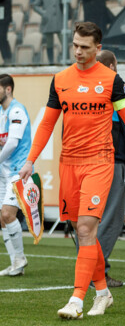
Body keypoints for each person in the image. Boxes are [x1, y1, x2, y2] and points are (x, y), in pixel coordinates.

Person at [18, 21, 125, 319]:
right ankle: (103, 293)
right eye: (75, 45)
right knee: (81, 231)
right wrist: (30, 159)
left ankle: (77, 300)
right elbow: (48, 123)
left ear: (97, 48)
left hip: (99, 163)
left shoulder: (111, 80)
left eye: (85, 47)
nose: (78, 51)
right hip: (69, 164)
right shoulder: (61, 79)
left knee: (88, 228)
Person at [93, 50, 125, 288]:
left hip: (88, 163)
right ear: (112, 65)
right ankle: (95, 272)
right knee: (110, 219)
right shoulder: (113, 90)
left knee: (90, 221)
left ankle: (91, 269)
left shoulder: (89, 90)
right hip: (111, 163)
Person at [0, 74, 32, 277]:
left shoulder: (17, 110)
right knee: (1, 218)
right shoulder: (1, 112)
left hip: (17, 171)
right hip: (3, 172)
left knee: (7, 214)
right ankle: (15, 263)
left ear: (8, 89)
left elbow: (12, 142)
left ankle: (20, 258)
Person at [33, 0, 66, 65]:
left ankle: (65, 60)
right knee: (49, 43)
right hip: (48, 21)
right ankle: (51, 62)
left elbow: (66, 1)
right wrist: (44, 13)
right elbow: (35, 5)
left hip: (60, 20)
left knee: (64, 41)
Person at [0, 0, 12, 65]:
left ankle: (8, 58)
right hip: (1, 15)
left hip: (4, 16)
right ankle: (6, 58)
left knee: (2, 38)